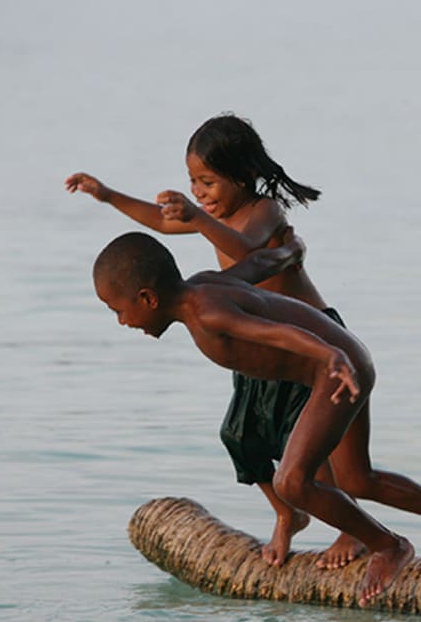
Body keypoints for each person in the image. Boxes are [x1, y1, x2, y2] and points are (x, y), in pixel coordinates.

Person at [92, 231, 421, 605]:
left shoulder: (206, 314)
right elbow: (253, 267)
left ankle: (388, 546)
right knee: (357, 479)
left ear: (148, 298)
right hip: (345, 361)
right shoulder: (201, 285)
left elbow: (272, 333)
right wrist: (290, 252)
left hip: (332, 370)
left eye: (118, 310)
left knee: (292, 481)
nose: (122, 322)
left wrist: (329, 357)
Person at [65, 114, 355, 570]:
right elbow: (160, 224)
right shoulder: (211, 217)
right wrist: (107, 195)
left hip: (308, 335)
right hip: (249, 338)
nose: (199, 193)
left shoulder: (263, 212)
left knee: (305, 437)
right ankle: (288, 513)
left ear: (243, 177)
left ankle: (347, 528)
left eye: (208, 182)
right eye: (193, 183)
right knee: (242, 435)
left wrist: (199, 218)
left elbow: (248, 255)